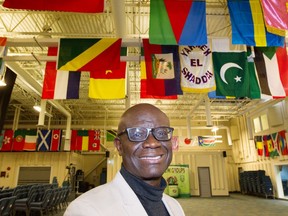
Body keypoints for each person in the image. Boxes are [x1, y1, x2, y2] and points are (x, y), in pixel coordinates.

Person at [64, 103, 185, 216]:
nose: (152, 143)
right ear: (119, 146)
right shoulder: (85, 210)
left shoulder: (175, 206)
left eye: (162, 133)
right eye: (137, 134)